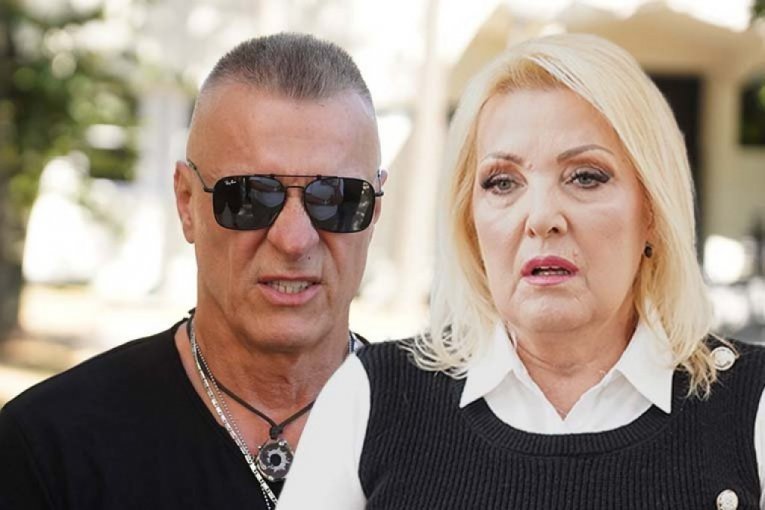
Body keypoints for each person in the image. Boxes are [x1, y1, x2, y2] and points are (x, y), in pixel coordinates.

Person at [277, 33, 765, 509]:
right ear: (470, 221)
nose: (541, 217)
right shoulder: (371, 397)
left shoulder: (752, 405)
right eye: (502, 182)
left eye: (586, 177)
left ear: (652, 210)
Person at [0, 32, 385, 510]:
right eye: (250, 196)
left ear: (374, 211)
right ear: (186, 203)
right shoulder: (48, 448)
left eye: (337, 199)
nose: (294, 238)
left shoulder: (450, 439)